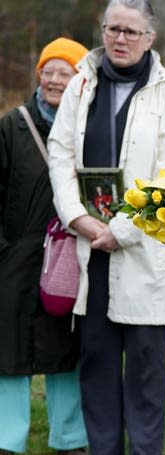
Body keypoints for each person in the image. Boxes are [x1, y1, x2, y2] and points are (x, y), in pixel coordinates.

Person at [47, 1, 165, 454]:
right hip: (91, 250)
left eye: (131, 31)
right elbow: (60, 153)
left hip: (146, 254)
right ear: (103, 30)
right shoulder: (81, 85)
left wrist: (122, 231)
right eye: (113, 29)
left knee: (147, 372)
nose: (120, 39)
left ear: (150, 38)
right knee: (97, 365)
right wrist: (79, 219)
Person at [0, 36, 89, 455]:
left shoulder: (86, 128)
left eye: (64, 71)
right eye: (47, 70)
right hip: (14, 259)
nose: (54, 80)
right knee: (8, 350)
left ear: (79, 79)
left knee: (64, 347)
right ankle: (7, 440)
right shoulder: (12, 124)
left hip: (69, 256)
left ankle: (69, 439)